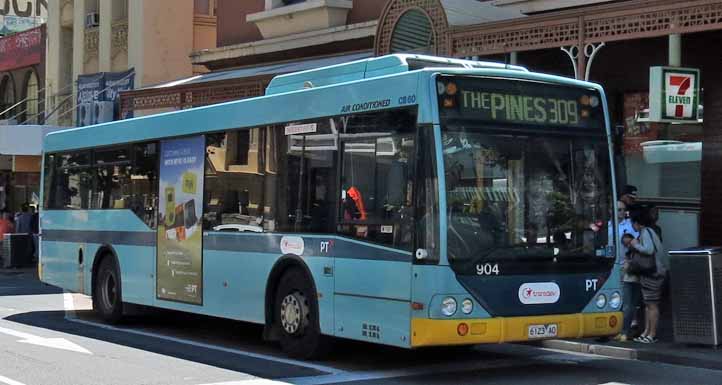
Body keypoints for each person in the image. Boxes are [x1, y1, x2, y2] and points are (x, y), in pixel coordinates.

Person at [629, 211, 668, 344]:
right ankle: (646, 332)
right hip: (652, 273)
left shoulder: (646, 232)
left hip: (653, 273)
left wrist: (635, 245)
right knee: (647, 304)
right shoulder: (649, 232)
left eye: (632, 223)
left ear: (636, 223)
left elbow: (649, 250)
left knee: (652, 305)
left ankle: (652, 334)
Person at [612, 200, 641, 342]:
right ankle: (616, 327)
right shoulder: (608, 225)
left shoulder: (629, 226)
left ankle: (627, 327)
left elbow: (636, 246)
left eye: (623, 210)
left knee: (627, 299)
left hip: (625, 265)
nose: (621, 212)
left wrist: (630, 261)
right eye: (618, 209)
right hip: (612, 265)